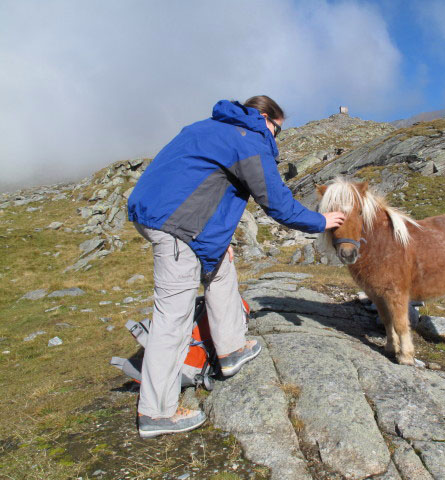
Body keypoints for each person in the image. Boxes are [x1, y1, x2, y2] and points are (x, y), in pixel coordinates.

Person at [127, 95, 345, 438]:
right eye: (277, 129)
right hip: (176, 227)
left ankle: (230, 349)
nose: (276, 138)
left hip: (164, 216)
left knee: (220, 268)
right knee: (174, 317)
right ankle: (157, 412)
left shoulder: (209, 128)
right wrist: (321, 221)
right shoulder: (249, 139)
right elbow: (278, 204)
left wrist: (213, 240)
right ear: (263, 118)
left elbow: (198, 182)